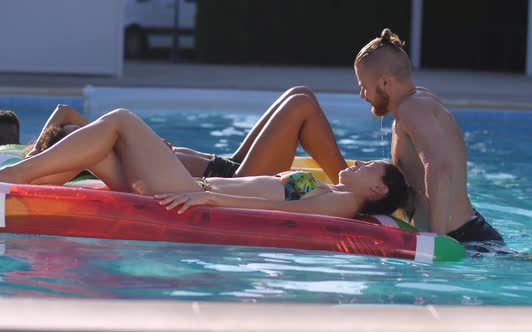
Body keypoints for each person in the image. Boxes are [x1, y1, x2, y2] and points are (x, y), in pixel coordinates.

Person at [0, 108, 410, 218]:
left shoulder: (343, 204)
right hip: (188, 188)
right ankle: (20, 189)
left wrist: (214, 201)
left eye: (368, 166)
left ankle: (13, 176)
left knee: (122, 120)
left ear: (378, 190)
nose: (357, 164)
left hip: (190, 192)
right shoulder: (334, 190)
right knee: (100, 147)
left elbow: (281, 210)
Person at [353, 28, 504, 250]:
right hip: (466, 230)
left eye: (364, 87)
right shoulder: (417, 103)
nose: (362, 95)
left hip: (462, 238)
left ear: (385, 83)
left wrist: (436, 242)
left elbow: (440, 169)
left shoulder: (411, 110)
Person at [27, 86, 347, 185]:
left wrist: (36, 149)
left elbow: (64, 111)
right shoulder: (97, 157)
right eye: (73, 137)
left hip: (228, 163)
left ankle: (346, 178)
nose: (80, 132)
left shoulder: (104, 140)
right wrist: (39, 161)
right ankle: (347, 183)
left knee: (298, 93)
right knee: (301, 105)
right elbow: (51, 173)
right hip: (236, 179)